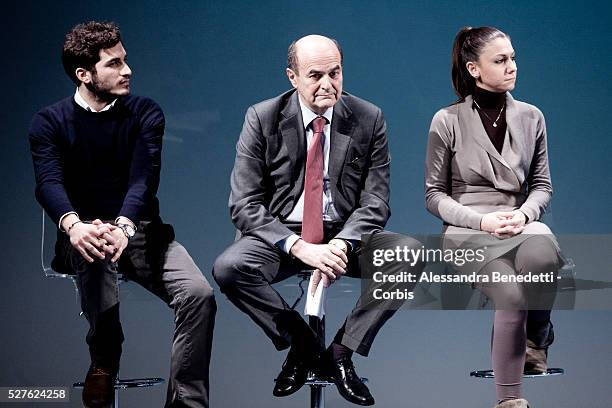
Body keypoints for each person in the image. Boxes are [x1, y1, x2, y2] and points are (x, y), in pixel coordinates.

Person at [213, 34, 422, 406]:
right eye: (315, 76)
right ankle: (303, 345)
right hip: (284, 237)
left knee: (409, 254)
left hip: (344, 235)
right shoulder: (262, 118)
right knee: (229, 267)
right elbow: (244, 203)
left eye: (335, 72)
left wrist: (342, 242)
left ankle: (341, 353)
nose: (328, 84)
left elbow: (376, 200)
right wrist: (299, 247)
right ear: (291, 77)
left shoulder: (368, 117)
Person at [29, 21, 216, 408]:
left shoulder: (145, 112)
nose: (127, 70)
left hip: (140, 232)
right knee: (92, 248)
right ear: (84, 74)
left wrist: (124, 226)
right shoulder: (49, 122)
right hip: (81, 234)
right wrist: (74, 224)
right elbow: (48, 183)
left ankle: (186, 403)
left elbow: (143, 178)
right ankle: (104, 360)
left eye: (125, 60)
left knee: (199, 294)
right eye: (114, 64)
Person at [425, 26, 561, 408]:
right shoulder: (447, 120)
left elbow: (542, 185)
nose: (511, 66)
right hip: (467, 229)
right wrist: (481, 221)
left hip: (519, 220)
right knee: (511, 292)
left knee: (542, 253)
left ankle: (537, 335)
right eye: (500, 60)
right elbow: (434, 196)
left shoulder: (532, 116)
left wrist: (523, 214)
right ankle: (509, 401)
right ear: (474, 68)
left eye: (513, 57)